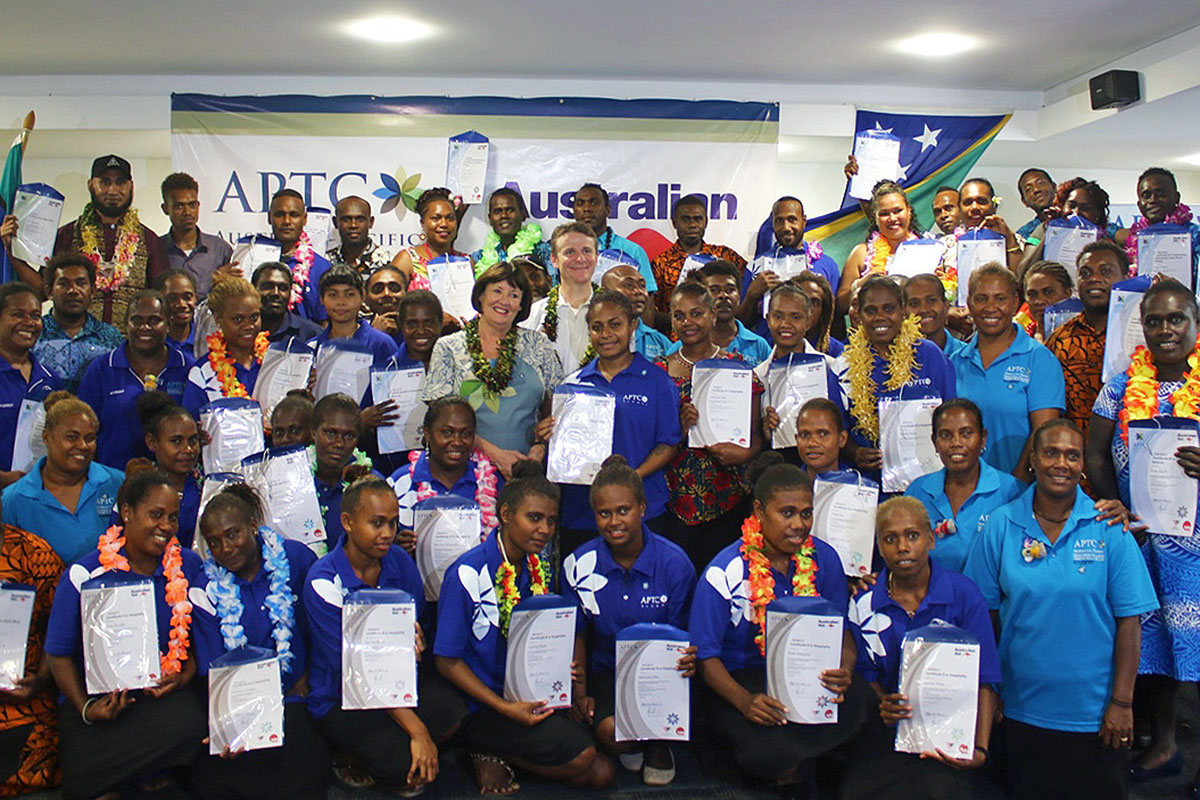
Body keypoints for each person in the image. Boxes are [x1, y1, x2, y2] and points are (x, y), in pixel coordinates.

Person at [965, 419, 1156, 800]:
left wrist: (1122, 701)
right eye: (1051, 452)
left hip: (1096, 715)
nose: (1061, 463)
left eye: (1072, 455)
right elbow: (983, 619)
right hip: (1020, 710)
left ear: (1083, 464)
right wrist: (991, 691)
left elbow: (1130, 625)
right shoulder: (1002, 525)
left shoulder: (1108, 527)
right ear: (1033, 459)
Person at [435, 462, 614, 793]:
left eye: (550, 521)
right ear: (505, 514)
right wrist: (505, 708)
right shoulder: (468, 572)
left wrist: (570, 680)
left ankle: (496, 753)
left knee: (600, 772)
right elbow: (446, 660)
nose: (544, 529)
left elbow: (559, 630)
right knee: (583, 758)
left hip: (530, 693)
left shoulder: (540, 567)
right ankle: (484, 750)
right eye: (534, 518)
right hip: (483, 703)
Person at [689, 452, 863, 791]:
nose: (798, 524)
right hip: (745, 681)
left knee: (862, 704)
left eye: (806, 513)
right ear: (758, 512)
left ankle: (797, 761)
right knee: (768, 748)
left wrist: (845, 669)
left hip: (809, 676)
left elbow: (843, 634)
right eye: (787, 513)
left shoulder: (825, 559)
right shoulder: (724, 571)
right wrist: (744, 701)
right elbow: (705, 657)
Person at [1087, 279, 1200, 788]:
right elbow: (1094, 453)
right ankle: (1163, 744)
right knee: (1151, 645)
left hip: (1196, 545)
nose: (1165, 329)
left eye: (1176, 318)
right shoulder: (1118, 386)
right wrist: (1121, 509)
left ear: (1194, 324)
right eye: (1154, 320)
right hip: (1142, 540)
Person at [45, 469, 207, 800]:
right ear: (128, 512)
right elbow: (58, 654)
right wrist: (86, 708)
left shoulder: (188, 566)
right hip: (97, 701)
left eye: (173, 518)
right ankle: (139, 777)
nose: (166, 526)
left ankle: (140, 776)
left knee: (193, 726)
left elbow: (197, 639)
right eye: (156, 514)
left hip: (158, 698)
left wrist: (186, 671)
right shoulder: (85, 573)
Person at [303, 476, 460, 794]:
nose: (388, 534)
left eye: (392, 522)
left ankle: (399, 748)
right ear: (347, 522)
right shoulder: (323, 581)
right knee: (404, 765)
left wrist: (416, 644)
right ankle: (350, 754)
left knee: (456, 710)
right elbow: (354, 668)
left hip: (396, 684)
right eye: (376, 523)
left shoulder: (400, 562)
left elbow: (418, 626)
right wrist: (418, 732)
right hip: (343, 697)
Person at [841, 496, 1003, 800]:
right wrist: (882, 703)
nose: (902, 547)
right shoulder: (864, 604)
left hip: (949, 736)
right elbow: (864, 675)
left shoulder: (964, 595)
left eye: (912, 535)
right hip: (887, 737)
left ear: (930, 539)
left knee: (939, 789)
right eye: (891, 539)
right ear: (879, 546)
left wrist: (980, 751)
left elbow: (986, 678)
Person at [562, 455, 696, 786]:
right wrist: (580, 692)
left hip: (666, 674)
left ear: (642, 509)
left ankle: (660, 741)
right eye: (604, 513)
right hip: (609, 670)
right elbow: (577, 634)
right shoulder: (578, 564)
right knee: (611, 733)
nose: (614, 521)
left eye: (623, 510)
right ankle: (635, 737)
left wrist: (689, 662)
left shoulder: (676, 564)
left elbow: (687, 637)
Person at [190, 483, 327, 800]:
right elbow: (213, 667)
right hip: (241, 702)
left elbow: (319, 627)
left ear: (253, 526)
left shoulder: (295, 558)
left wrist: (309, 675)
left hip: (294, 694)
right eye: (214, 542)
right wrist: (229, 722)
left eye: (232, 534)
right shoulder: (204, 589)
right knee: (212, 777)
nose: (226, 548)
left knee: (305, 766)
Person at [552, 290, 681, 555]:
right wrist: (549, 437)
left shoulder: (658, 381)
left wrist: (631, 479)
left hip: (644, 510)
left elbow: (668, 444)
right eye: (597, 327)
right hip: (583, 514)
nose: (606, 334)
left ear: (633, 325)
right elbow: (563, 456)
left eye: (615, 324)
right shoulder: (572, 387)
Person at [657, 281, 762, 572]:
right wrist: (678, 428)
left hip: (727, 498)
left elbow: (756, 437)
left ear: (713, 315)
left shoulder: (738, 368)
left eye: (696, 313)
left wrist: (744, 455)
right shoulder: (658, 371)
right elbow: (650, 440)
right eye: (679, 315)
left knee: (723, 579)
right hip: (673, 500)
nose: (688, 322)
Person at [424, 261, 563, 479]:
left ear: (521, 305)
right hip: (466, 472)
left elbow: (555, 408)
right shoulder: (448, 347)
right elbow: (439, 419)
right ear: (481, 296)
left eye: (514, 295)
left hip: (527, 472)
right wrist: (495, 455)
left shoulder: (539, 344)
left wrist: (540, 445)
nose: (504, 301)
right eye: (497, 291)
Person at [948, 264, 1065, 478]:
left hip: (1018, 491)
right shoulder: (955, 362)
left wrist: (1015, 485)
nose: (990, 307)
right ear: (970, 304)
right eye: (982, 298)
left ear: (1014, 304)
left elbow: (1044, 432)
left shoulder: (1039, 359)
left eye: (1000, 299)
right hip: (963, 491)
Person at [836, 276, 956, 478]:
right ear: (859, 315)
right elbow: (836, 427)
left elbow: (950, 416)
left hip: (925, 478)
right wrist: (854, 452)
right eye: (870, 311)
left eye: (889, 309)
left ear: (903, 310)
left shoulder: (929, 355)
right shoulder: (844, 364)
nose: (880, 317)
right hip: (866, 482)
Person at [41, 155, 169, 327]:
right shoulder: (67, 235)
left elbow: (162, 299)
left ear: (131, 186)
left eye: (120, 182)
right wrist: (12, 250)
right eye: (105, 182)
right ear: (91, 185)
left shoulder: (149, 240)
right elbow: (42, 290)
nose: (113, 190)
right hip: (76, 342)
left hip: (132, 348)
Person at [1, 392, 124, 565]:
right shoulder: (12, 500)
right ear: (46, 437)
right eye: (72, 437)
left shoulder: (118, 483)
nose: (82, 446)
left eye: (89, 438)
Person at [903, 399, 1023, 573]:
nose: (956, 443)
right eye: (945, 435)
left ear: (983, 438)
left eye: (966, 433)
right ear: (934, 442)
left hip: (990, 598)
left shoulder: (1013, 492)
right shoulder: (917, 492)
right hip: (931, 597)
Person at [77, 290, 191, 470]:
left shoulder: (188, 369)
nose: (144, 327)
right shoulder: (101, 369)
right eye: (137, 320)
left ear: (168, 324)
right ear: (126, 324)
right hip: (112, 481)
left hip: (173, 482)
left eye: (154, 320)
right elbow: (84, 430)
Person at [0, 489, 66, 797]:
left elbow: (62, 629)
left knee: (36, 766)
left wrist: (40, 679)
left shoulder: (33, 553)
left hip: (25, 687)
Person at [389, 395, 502, 554]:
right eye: (447, 433)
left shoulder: (492, 483)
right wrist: (395, 547)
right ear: (427, 433)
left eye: (465, 434)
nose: (457, 441)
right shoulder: (400, 483)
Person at [1045, 241, 1130, 443]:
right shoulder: (1060, 340)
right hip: (1073, 459)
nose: (1094, 279)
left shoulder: (1142, 336)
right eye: (1085, 273)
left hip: (1129, 457)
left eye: (1105, 271)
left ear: (1126, 279)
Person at [758, 283, 842, 464]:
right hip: (779, 468)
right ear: (767, 319)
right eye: (778, 316)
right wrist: (764, 429)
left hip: (824, 469)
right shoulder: (757, 376)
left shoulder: (831, 368)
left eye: (795, 317)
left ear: (808, 321)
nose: (785, 324)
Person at [0, 283, 64, 486]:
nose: (28, 323)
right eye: (18, 315)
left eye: (35, 316)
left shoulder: (50, 379)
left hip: (37, 497)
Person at [33, 254, 123, 392]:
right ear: (49, 291)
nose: (73, 291)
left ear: (92, 291)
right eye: (63, 284)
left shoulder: (111, 338)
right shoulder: (34, 334)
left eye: (81, 283)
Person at [183, 275, 269, 415]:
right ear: (219, 320)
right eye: (238, 319)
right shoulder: (202, 374)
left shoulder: (274, 361)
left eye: (254, 317)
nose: (248, 326)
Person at [651, 194, 747, 321]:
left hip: (722, 335)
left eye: (697, 219)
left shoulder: (725, 255)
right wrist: (685, 319)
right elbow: (652, 312)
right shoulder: (661, 263)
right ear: (674, 223)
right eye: (686, 219)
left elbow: (747, 288)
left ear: (705, 222)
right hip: (676, 337)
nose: (692, 224)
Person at [522, 222, 599, 372]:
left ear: (596, 257)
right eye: (570, 252)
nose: (580, 259)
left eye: (586, 251)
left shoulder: (614, 313)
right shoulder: (534, 313)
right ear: (554, 260)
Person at [836, 181, 922, 316]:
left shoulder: (927, 249)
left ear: (909, 211)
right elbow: (841, 305)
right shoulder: (861, 253)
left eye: (898, 211)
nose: (892, 218)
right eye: (884, 213)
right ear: (875, 218)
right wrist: (860, 284)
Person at [309, 393, 380, 547]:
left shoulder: (372, 485)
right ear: (313, 431)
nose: (339, 443)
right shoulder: (292, 479)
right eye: (331, 433)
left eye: (349, 436)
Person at [571, 183, 656, 307]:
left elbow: (647, 303)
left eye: (594, 203)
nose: (587, 209)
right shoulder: (565, 251)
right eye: (580, 204)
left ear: (608, 210)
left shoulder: (633, 251)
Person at [671, 260, 770, 367]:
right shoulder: (678, 350)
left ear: (739, 295)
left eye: (730, 289)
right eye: (714, 290)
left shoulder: (759, 345)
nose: (723, 295)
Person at [136, 392, 201, 549]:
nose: (188, 449)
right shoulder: (137, 490)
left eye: (193, 440)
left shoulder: (208, 487)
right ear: (152, 442)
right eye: (176, 441)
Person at [308, 265, 399, 377]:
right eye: (333, 295)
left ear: (362, 297)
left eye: (349, 295)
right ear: (322, 299)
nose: (341, 302)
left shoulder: (381, 344)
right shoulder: (312, 348)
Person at [1018, 177, 1117, 278]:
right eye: (1071, 205)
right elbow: (1023, 273)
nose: (1076, 212)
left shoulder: (1104, 242)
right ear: (1062, 205)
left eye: (1085, 208)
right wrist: (1051, 233)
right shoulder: (1044, 229)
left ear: (1097, 214)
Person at [159, 171, 233, 297]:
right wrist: (212, 280)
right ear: (165, 208)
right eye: (179, 206)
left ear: (198, 206)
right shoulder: (156, 248)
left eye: (192, 205)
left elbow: (233, 294)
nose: (187, 212)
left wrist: (220, 281)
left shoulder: (220, 249)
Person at [1119, 166, 1200, 275]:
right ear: (1139, 204)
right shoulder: (1133, 239)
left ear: (1176, 197)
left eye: (1160, 194)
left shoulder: (1195, 236)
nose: (1152, 200)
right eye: (1146, 195)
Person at [268, 189, 332, 323]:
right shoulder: (255, 261)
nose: (286, 221)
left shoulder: (321, 268)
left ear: (304, 219)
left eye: (293, 215)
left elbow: (325, 323)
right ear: (270, 218)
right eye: (280, 215)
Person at [394, 187, 470, 292]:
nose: (444, 224)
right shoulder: (407, 260)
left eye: (450, 218)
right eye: (436, 218)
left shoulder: (466, 261)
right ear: (423, 223)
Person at [470, 187, 552, 275]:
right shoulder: (479, 258)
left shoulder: (545, 253)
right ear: (490, 219)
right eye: (498, 211)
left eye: (510, 210)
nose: (504, 215)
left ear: (523, 215)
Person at [600, 264, 672, 359]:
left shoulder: (660, 342)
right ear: (604, 293)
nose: (638, 291)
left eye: (642, 286)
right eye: (629, 285)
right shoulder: (593, 338)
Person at [252, 261, 323, 345]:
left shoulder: (312, 335)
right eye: (268, 286)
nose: (275, 293)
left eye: (282, 288)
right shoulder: (239, 330)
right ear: (253, 289)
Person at [326, 195, 395, 277]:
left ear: (371, 222)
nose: (353, 225)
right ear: (335, 222)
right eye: (346, 219)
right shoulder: (326, 262)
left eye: (360, 219)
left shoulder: (388, 263)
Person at [903, 272, 966, 358]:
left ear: (946, 305)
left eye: (931, 300)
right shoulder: (897, 360)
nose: (924, 309)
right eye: (914, 304)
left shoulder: (967, 357)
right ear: (904, 311)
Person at [794, 397, 849, 477]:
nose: (812, 443)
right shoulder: (784, 487)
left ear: (842, 439)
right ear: (796, 439)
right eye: (804, 435)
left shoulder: (860, 487)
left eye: (823, 434)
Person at [1019, 260, 1073, 341]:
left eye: (1048, 292)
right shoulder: (1018, 339)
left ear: (1067, 293)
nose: (1039, 301)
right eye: (1032, 294)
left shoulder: (1084, 337)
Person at [795, 270, 843, 357]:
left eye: (814, 303)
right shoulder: (770, 344)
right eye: (801, 299)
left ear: (823, 311)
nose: (807, 307)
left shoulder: (836, 351)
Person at [157, 269, 199, 352]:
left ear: (196, 298)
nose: (181, 305)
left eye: (187, 297)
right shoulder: (152, 342)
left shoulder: (206, 340)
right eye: (172, 298)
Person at [364, 265, 408, 346]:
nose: (386, 294)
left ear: (406, 293)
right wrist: (374, 335)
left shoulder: (419, 329)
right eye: (378, 289)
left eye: (394, 288)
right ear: (366, 298)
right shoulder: (355, 331)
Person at [1016, 167, 1057, 240]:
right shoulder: (1023, 235)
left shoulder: (1077, 218)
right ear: (1024, 201)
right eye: (1029, 189)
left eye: (1040, 183)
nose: (1036, 189)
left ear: (1054, 187)